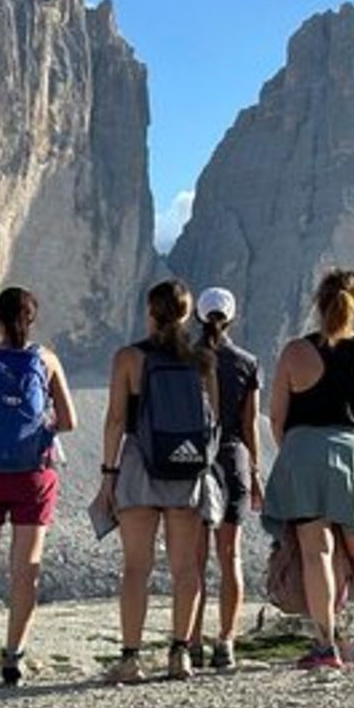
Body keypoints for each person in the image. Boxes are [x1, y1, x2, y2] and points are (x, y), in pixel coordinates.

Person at [262, 269, 354, 669]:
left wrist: (295, 452)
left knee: (315, 552)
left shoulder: (294, 352)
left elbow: (276, 418)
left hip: (303, 452)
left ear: (318, 304)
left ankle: (325, 647)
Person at [0, 287, 77, 689]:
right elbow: (70, 421)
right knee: (26, 571)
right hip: (34, 477)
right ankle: (13, 659)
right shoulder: (47, 360)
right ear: (32, 320)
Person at [95, 278, 221, 684]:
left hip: (138, 464)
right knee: (186, 567)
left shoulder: (129, 358)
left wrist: (108, 475)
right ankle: (180, 654)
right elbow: (213, 422)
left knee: (136, 567)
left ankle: (130, 659)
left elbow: (116, 420)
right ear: (187, 315)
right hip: (185, 470)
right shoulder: (203, 359)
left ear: (151, 312)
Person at [189, 287, 262, 670]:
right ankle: (226, 642)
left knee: (194, 560)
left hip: (193, 463)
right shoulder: (247, 362)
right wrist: (257, 473)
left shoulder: (184, 358)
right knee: (229, 555)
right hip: (233, 459)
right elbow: (251, 425)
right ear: (232, 318)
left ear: (198, 317)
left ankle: (192, 641)